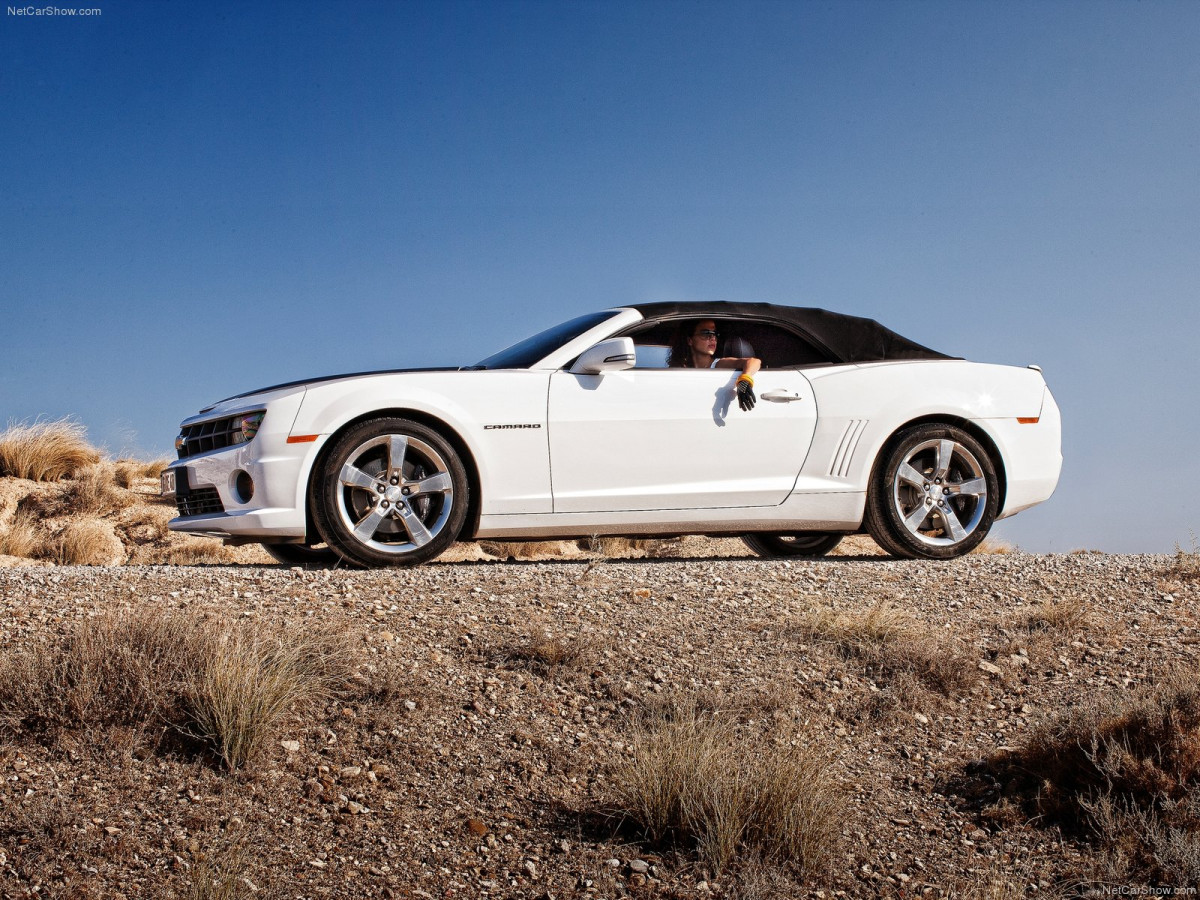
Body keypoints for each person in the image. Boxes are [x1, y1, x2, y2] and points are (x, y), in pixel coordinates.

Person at [667, 319, 761, 411]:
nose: (713, 338)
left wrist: (744, 380)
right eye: (706, 333)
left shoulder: (718, 364)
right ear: (690, 340)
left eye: (715, 334)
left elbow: (754, 362)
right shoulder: (680, 370)